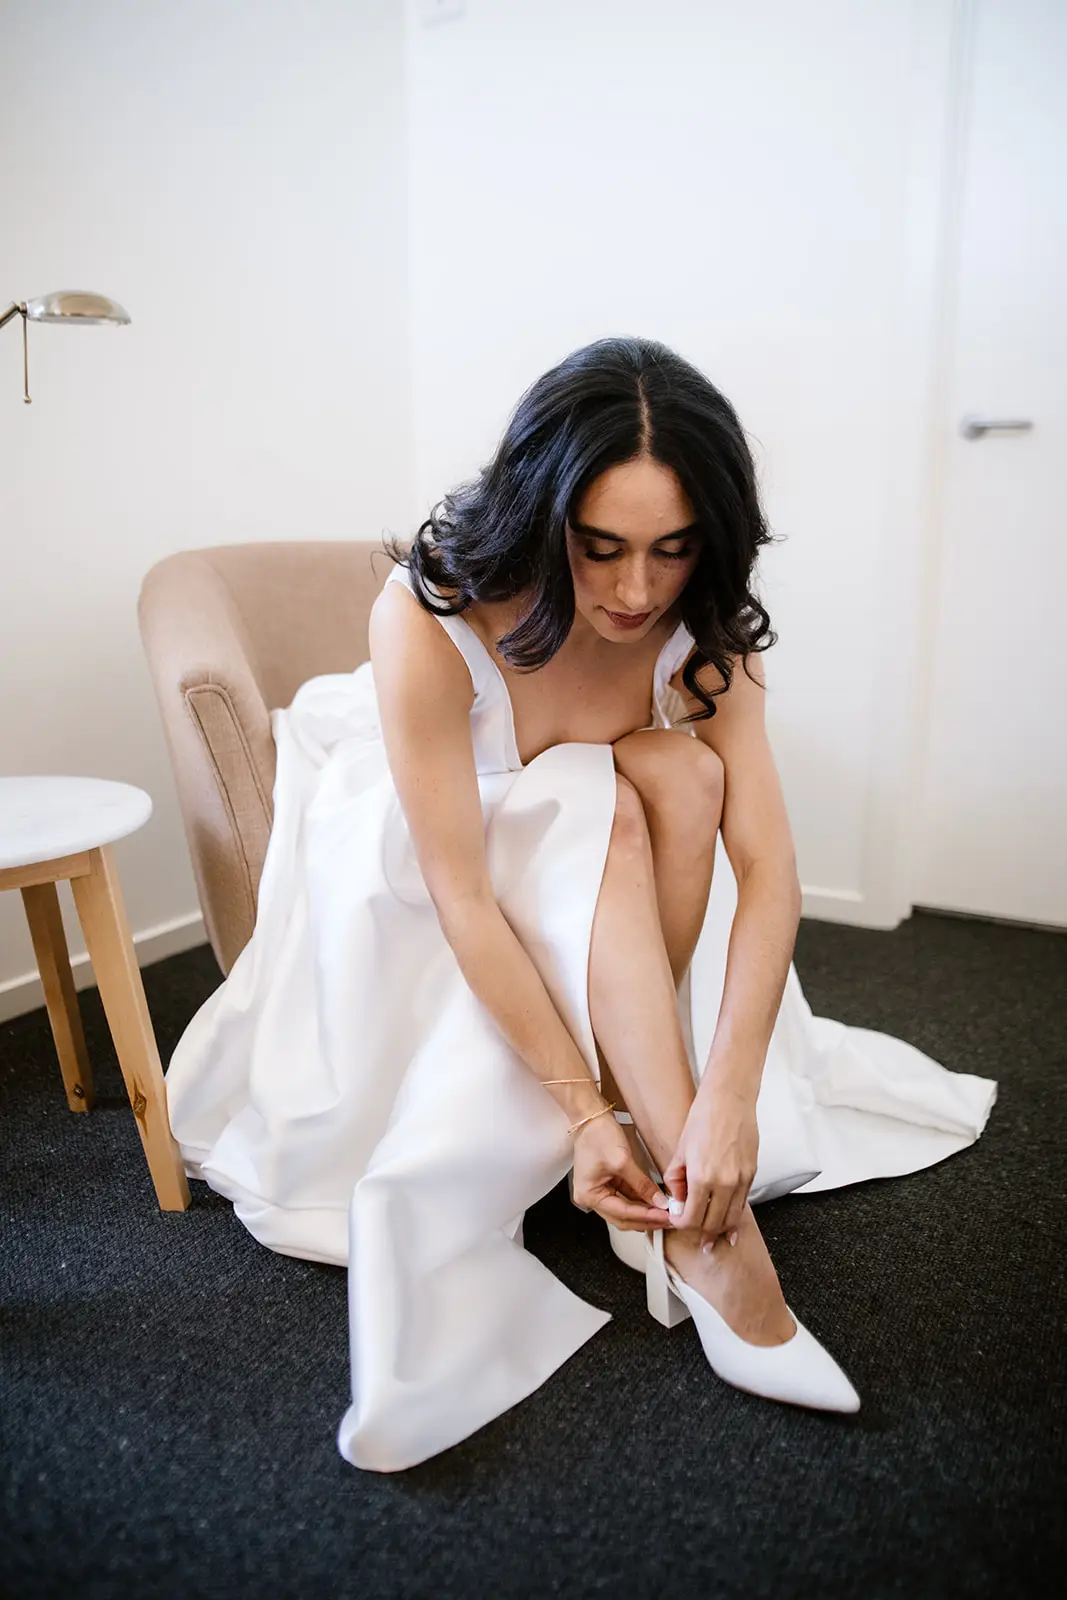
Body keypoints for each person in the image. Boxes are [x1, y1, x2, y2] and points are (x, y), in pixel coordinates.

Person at [164, 336, 997, 1473]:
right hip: (422, 866)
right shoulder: (433, 610)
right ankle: (714, 1243)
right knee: (593, 802)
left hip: (607, 894)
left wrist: (733, 1101)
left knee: (681, 771)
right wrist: (581, 1119)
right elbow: (458, 887)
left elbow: (771, 875)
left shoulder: (703, 634)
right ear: (537, 513)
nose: (633, 591)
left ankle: (672, 1133)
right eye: (597, 548)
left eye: (670, 550)